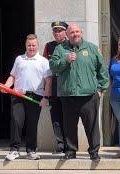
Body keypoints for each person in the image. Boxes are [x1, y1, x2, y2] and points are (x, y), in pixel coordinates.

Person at [49, 23, 109, 161]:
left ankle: (94, 151)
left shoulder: (92, 48)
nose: (74, 34)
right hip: (68, 95)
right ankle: (70, 151)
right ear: (67, 35)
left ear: (81, 32)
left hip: (89, 95)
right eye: (71, 32)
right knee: (69, 125)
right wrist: (65, 60)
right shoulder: (60, 49)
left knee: (92, 125)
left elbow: (102, 71)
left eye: (77, 32)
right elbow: (53, 67)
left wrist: (101, 89)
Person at [4, 34, 52, 161]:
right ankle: (14, 150)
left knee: (32, 124)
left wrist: (46, 97)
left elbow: (48, 81)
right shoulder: (19, 59)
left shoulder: (43, 61)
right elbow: (12, 76)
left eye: (33, 45)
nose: (31, 48)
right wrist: (6, 86)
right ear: (25, 45)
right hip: (18, 95)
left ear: (37, 45)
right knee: (16, 121)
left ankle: (31, 150)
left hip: (35, 96)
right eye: (29, 45)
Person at [43, 21, 68, 154]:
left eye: (60, 31)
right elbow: (45, 68)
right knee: (56, 118)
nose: (57, 33)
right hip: (53, 87)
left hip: (67, 86)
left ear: (65, 32)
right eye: (55, 31)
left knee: (68, 117)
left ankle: (69, 144)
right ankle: (60, 144)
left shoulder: (70, 45)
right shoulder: (49, 46)